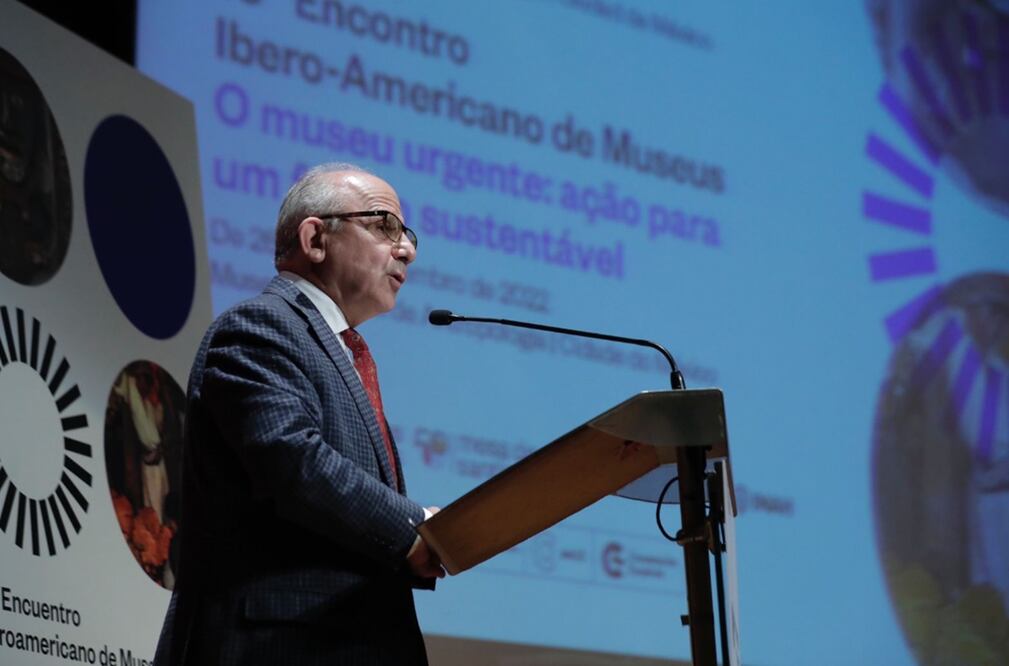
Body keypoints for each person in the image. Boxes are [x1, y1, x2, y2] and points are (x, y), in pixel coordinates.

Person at [154, 163, 443, 665]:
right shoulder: (259, 327)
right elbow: (294, 463)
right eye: (384, 226)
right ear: (315, 238)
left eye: (406, 234)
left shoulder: (342, 352)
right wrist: (414, 528)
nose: (407, 249)